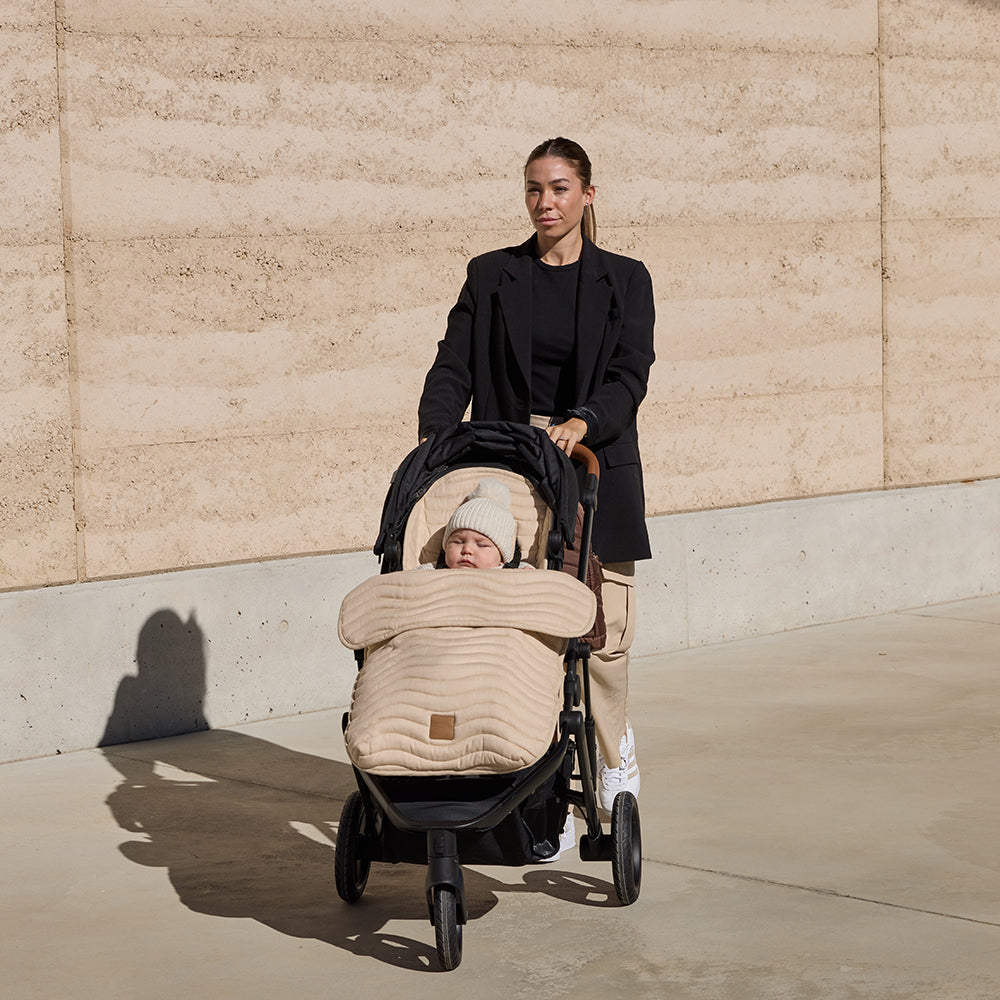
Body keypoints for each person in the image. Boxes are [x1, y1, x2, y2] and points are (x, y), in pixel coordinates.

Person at [418, 136, 655, 812]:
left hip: (593, 467)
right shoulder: (492, 275)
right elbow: (453, 363)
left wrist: (584, 420)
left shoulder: (626, 278)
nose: (544, 202)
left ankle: (612, 756)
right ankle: (536, 782)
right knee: (519, 635)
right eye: (533, 189)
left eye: (557, 188)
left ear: (586, 194)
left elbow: (629, 373)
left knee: (601, 639)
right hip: (511, 472)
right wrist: (436, 435)